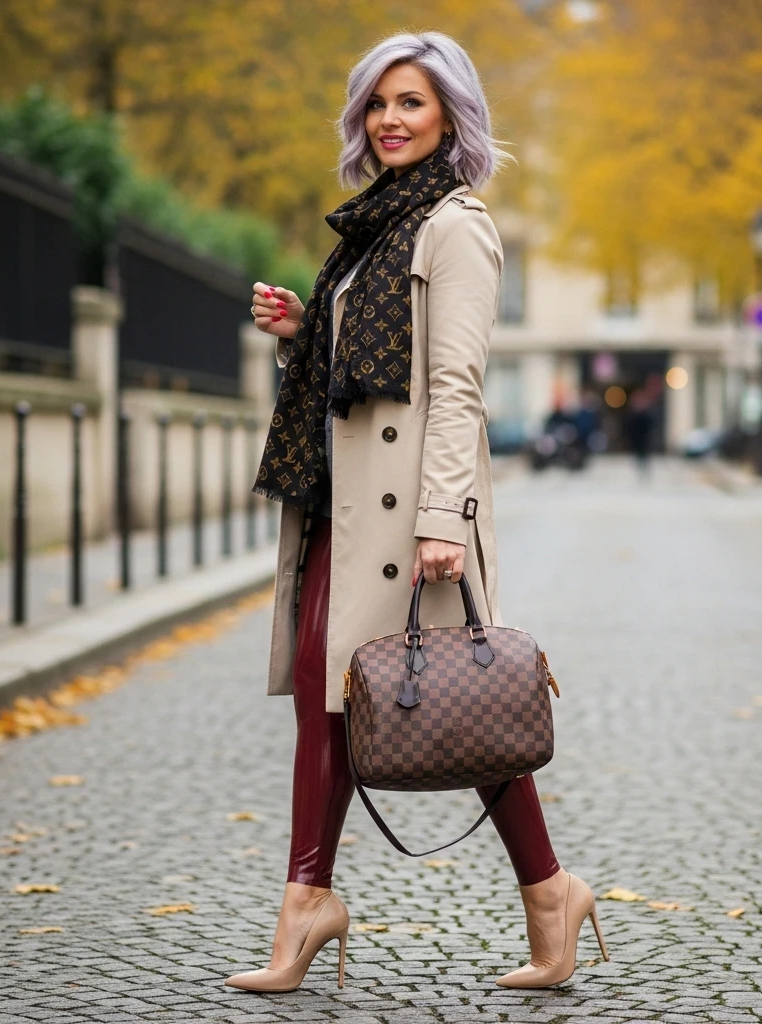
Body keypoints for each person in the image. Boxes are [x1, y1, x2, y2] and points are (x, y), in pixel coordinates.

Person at [226, 31, 608, 995]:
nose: (389, 120)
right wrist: (302, 334)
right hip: (346, 505)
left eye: (411, 103)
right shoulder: (370, 229)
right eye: (378, 103)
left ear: (450, 117)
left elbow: (455, 385)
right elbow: (358, 377)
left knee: (468, 711)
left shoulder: (456, 225)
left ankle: (550, 894)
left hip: (411, 519)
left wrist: (443, 516)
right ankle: (313, 901)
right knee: (327, 693)